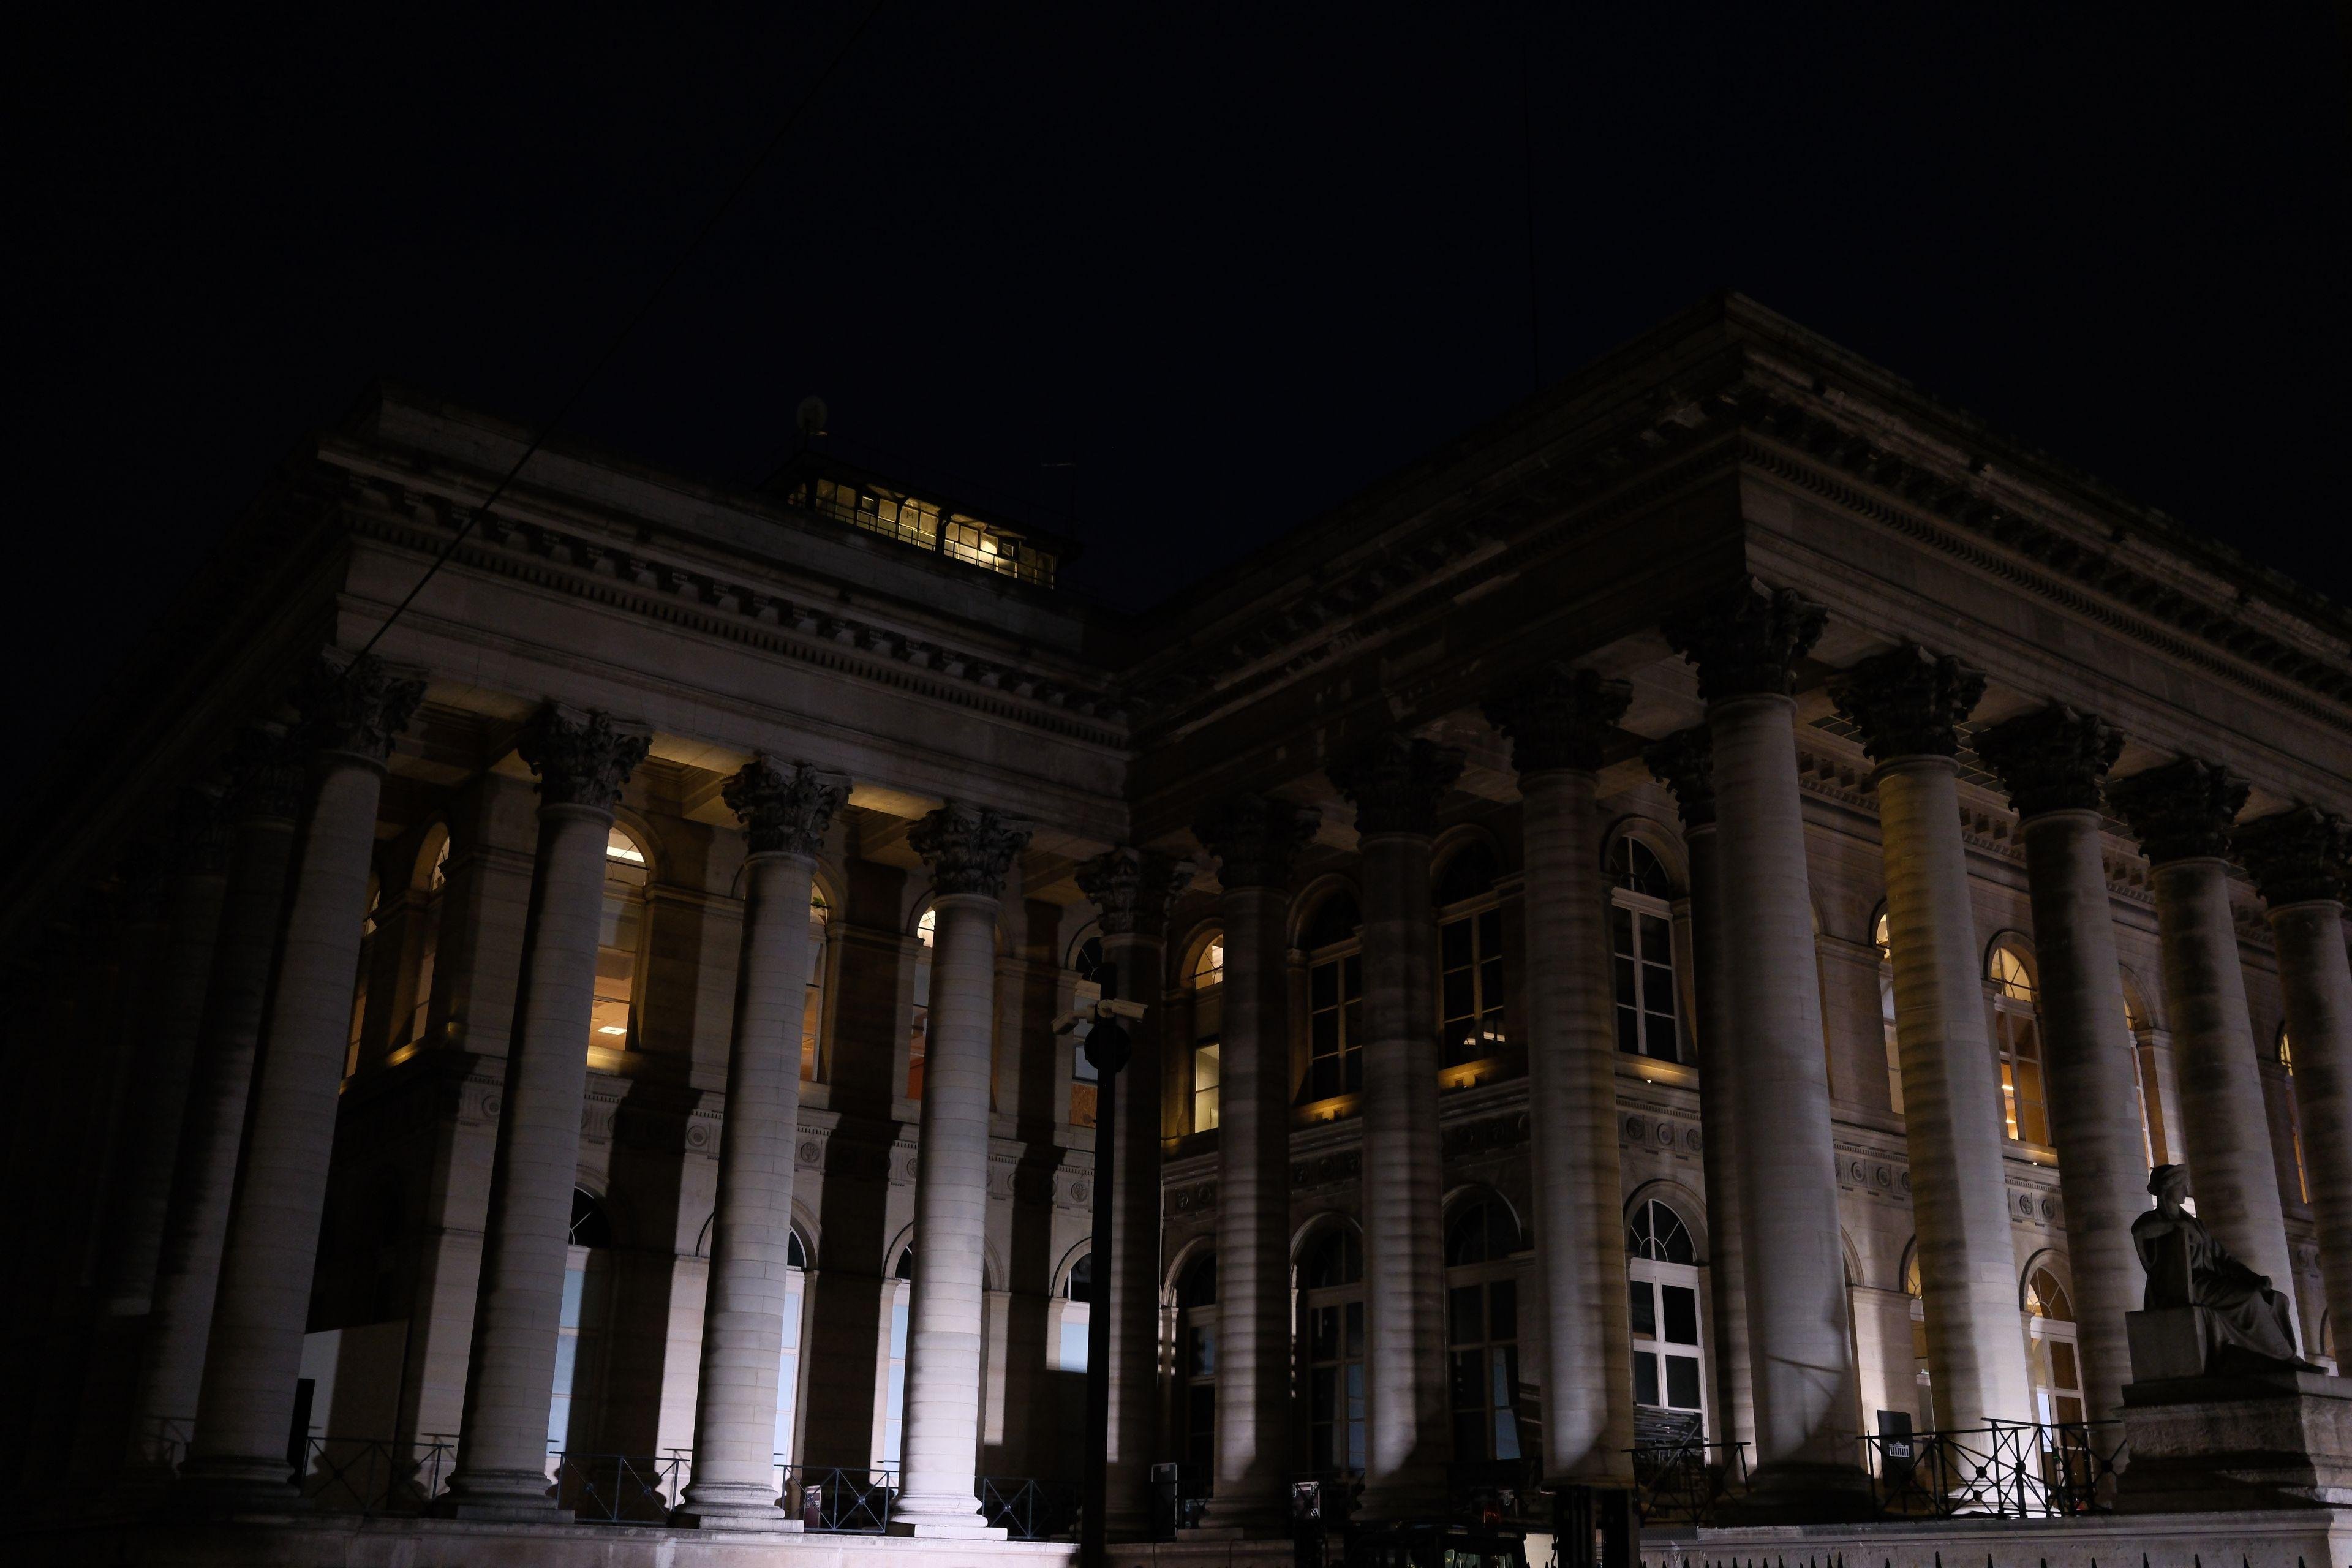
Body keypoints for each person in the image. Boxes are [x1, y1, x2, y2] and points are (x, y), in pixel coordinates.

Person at [2130, 1163, 2307, 1370]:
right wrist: (2176, 1226)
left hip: (2208, 1283)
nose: (2186, 1191)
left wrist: (2254, 1278)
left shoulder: (2197, 1225)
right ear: (2167, 1188)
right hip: (2184, 1287)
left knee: (2274, 1298)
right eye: (2182, 1186)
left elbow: (2224, 1260)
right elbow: (2141, 1232)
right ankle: (2284, 1358)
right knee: (2247, 1298)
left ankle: (2272, 1358)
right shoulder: (2153, 1220)